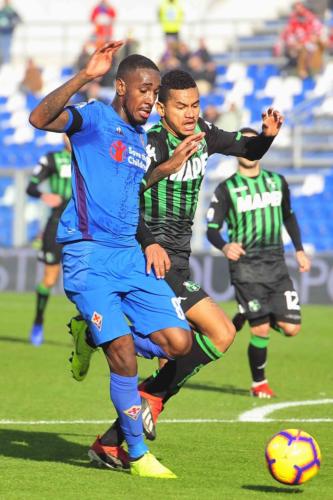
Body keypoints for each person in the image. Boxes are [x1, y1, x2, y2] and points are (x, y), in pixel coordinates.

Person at [68, 69, 284, 461]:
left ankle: (113, 438)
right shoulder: (148, 144)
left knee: (188, 347)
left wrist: (266, 136)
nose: (189, 113)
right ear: (162, 109)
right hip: (147, 253)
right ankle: (146, 397)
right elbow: (123, 199)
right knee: (214, 334)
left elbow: (248, 149)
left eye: (195, 105)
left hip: (179, 258)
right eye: (181, 106)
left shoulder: (203, 134)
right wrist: (149, 242)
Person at [29, 43, 205, 479]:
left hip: (128, 254)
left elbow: (132, 189)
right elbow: (39, 119)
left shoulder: (141, 139)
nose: (151, 99)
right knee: (124, 354)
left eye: (156, 92)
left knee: (180, 345)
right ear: (121, 88)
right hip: (88, 255)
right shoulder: (92, 118)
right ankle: (137, 452)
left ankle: (91, 335)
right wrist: (85, 74)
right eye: (144, 90)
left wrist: (161, 172)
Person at [206, 127, 311, 398]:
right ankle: (259, 384)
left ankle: (248, 312)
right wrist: (224, 245)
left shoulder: (278, 182)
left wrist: (299, 249)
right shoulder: (226, 188)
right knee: (261, 327)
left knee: (292, 329)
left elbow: (288, 216)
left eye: (255, 144)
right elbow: (212, 229)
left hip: (276, 263)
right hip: (246, 265)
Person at [26, 136, 72, 346]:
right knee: (50, 279)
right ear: (64, 137)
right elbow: (31, 187)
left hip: (84, 228)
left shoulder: (91, 158)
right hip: (57, 224)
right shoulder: (53, 158)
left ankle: (87, 331)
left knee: (86, 281)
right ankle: (38, 322)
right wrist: (47, 195)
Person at [0, 0, 21, 65]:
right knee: (3, 48)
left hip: (8, 33)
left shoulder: (12, 12)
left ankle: (6, 63)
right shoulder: (2, 11)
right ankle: (4, 62)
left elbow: (18, 19)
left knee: (6, 48)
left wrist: (11, 23)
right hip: (2, 32)